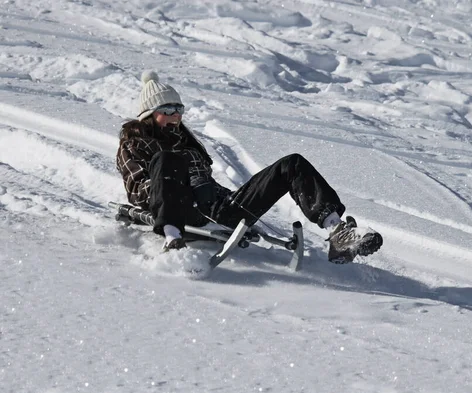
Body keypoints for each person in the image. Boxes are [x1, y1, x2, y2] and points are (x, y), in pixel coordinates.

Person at [116, 71, 382, 264]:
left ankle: (337, 231)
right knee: (168, 160)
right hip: (179, 211)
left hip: (219, 207)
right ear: (149, 114)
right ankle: (172, 238)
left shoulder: (187, 144)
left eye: (179, 109)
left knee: (292, 164)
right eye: (169, 109)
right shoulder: (135, 144)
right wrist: (174, 188)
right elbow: (139, 190)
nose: (177, 115)